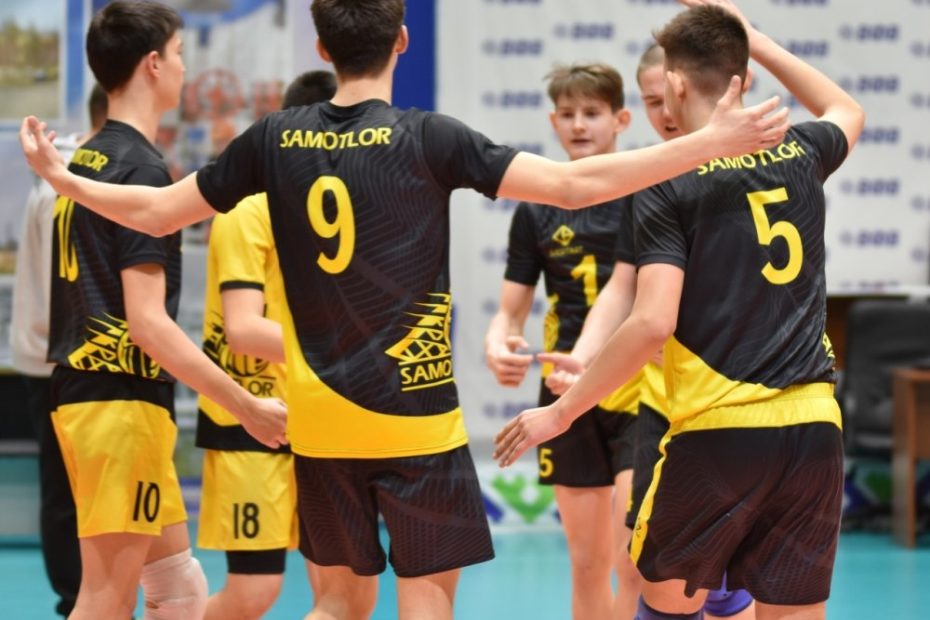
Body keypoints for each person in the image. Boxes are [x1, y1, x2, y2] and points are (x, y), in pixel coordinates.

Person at [19, 1, 788, 617]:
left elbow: (156, 212)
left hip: (320, 421)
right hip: (416, 418)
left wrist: (66, 177)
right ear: (402, 41)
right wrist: (707, 142)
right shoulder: (430, 137)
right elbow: (573, 185)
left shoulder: (272, 138)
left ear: (322, 47)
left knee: (337, 604)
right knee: (426, 602)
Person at [495, 2, 863, 619]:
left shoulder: (667, 182)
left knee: (662, 599)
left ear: (674, 84)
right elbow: (847, 109)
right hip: (814, 430)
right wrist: (755, 38)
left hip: (719, 432)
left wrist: (561, 412)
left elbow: (651, 323)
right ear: (741, 73)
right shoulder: (800, 150)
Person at [39, 2, 286, 619]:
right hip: (117, 403)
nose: (184, 68)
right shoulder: (140, 169)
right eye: (179, 55)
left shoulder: (90, 158)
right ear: (152, 64)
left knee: (178, 590)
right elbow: (147, 323)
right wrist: (246, 405)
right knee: (104, 598)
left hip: (95, 396)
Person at [543, 44, 755, 620]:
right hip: (664, 405)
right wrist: (584, 358)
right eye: (650, 101)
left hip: (738, 402)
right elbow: (623, 288)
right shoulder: (653, 181)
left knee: (731, 576)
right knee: (644, 566)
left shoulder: (759, 168)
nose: (663, 113)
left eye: (667, 98)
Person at [484, 62, 641, 620]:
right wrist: (499, 343)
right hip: (564, 394)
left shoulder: (648, 193)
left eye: (592, 113)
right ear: (553, 122)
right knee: (587, 563)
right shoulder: (536, 208)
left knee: (634, 562)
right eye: (568, 114)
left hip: (639, 390)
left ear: (620, 120)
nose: (578, 125)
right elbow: (510, 310)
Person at [196, 69, 335, 620]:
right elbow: (244, 330)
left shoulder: (331, 212)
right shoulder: (247, 211)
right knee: (254, 592)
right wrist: (349, 354)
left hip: (321, 421)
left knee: (341, 594)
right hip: (251, 418)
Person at [9, 83, 106, 619]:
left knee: (84, 489)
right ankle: (75, 601)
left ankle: (93, 598)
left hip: (66, 355)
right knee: (67, 490)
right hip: (57, 359)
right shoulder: (63, 183)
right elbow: (61, 285)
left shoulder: (73, 176)